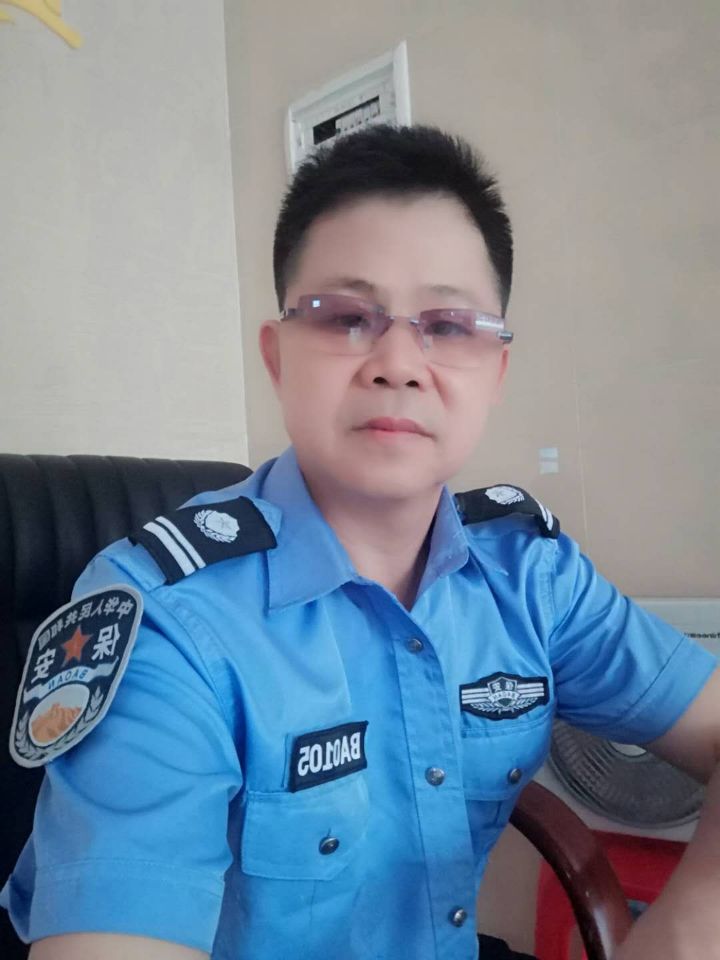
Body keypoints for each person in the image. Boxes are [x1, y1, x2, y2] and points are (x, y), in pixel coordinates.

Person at [2, 124, 719, 960]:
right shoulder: (165, 619)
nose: (399, 363)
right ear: (277, 360)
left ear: (495, 371)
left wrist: (692, 916)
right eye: (346, 317)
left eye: (448, 325)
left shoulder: (531, 574)